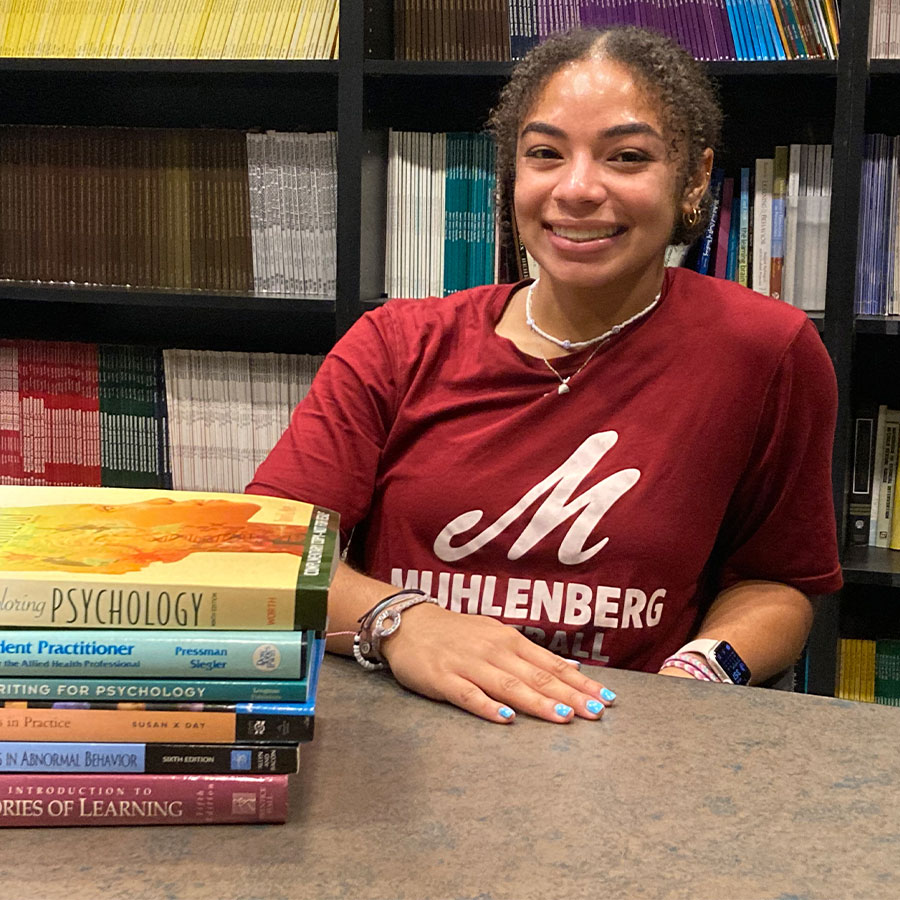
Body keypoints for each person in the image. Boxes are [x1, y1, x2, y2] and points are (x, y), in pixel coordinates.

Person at [247, 26, 842, 723]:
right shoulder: (394, 345)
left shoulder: (766, 351)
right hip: (400, 741)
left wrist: (703, 668)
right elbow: (268, 553)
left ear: (695, 178)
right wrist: (401, 622)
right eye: (545, 154)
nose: (578, 188)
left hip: (625, 743)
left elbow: (780, 582)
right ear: (514, 175)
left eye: (626, 156)